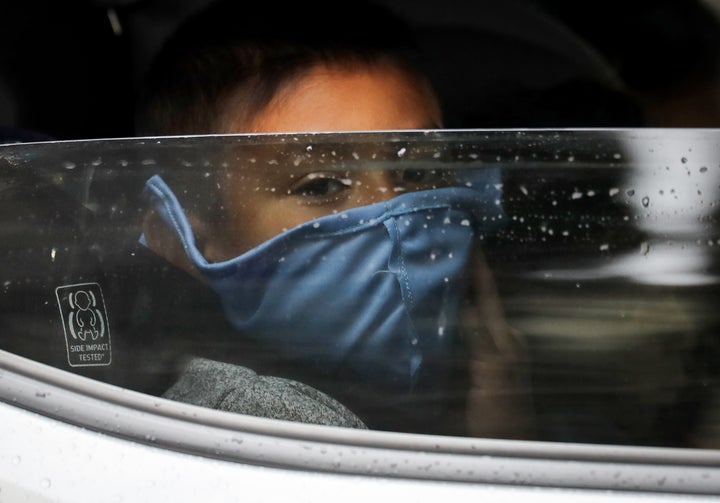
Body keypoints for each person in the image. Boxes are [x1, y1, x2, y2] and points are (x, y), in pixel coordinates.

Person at [135, 0, 532, 438]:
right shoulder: (250, 422)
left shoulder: (496, 381)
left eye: (416, 171)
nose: (393, 211)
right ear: (181, 241)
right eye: (321, 185)